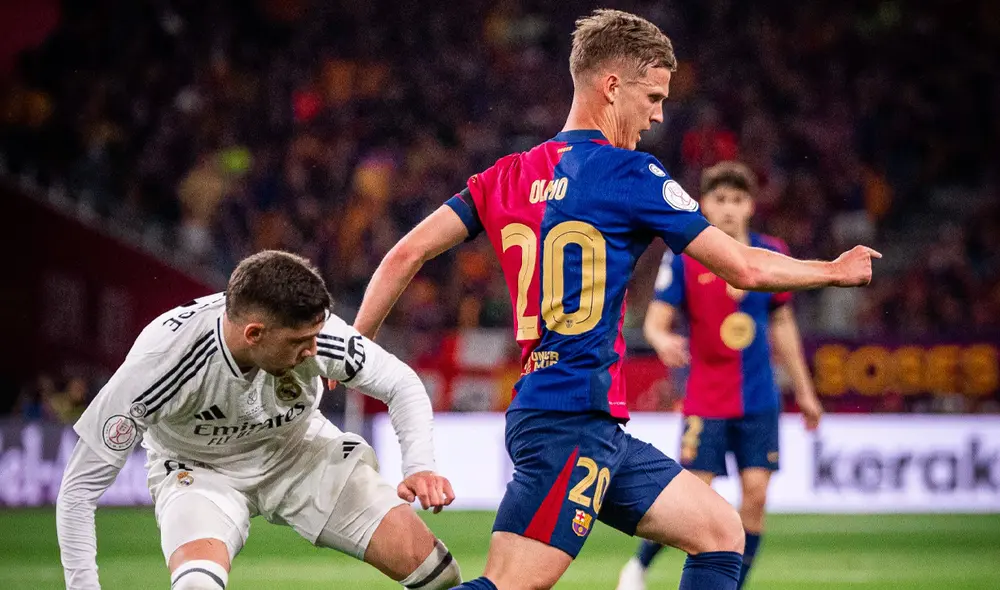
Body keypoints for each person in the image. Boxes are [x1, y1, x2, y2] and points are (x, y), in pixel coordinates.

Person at [351, 9, 879, 590]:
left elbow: (404, 255)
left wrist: (358, 350)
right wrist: (831, 269)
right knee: (511, 585)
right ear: (610, 87)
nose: (657, 115)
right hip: (568, 419)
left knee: (720, 531)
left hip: (585, 422)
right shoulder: (630, 174)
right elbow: (745, 266)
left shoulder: (504, 176)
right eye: (652, 97)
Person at [56, 250, 461, 590]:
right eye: (299, 343)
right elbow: (78, 490)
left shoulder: (315, 332)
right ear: (254, 334)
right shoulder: (162, 362)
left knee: (437, 573)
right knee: (197, 585)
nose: (313, 352)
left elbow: (402, 383)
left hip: (301, 451)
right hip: (199, 470)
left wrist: (420, 465)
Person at [617, 161, 824, 590]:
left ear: (750, 206)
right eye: (719, 199)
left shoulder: (771, 255)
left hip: (759, 398)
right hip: (706, 398)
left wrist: (804, 391)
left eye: (737, 200)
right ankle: (637, 566)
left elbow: (783, 325)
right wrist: (660, 339)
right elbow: (656, 319)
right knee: (693, 500)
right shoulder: (687, 258)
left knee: (756, 498)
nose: (728, 209)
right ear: (705, 206)